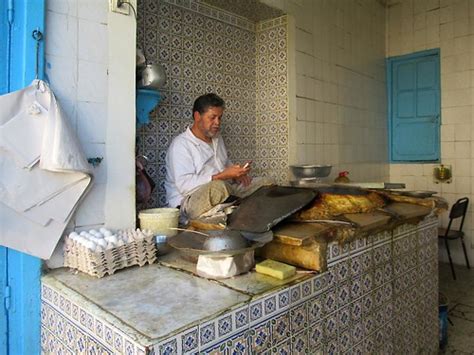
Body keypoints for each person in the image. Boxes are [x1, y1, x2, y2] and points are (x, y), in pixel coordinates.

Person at [164, 93, 272, 221]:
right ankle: (233, 209)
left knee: (267, 183)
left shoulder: (217, 138)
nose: (217, 123)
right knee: (219, 187)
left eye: (220, 118)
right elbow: (184, 186)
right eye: (212, 117)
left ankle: (233, 210)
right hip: (188, 203)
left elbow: (224, 164)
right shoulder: (181, 144)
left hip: (223, 191)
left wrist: (237, 174)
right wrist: (222, 176)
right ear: (197, 116)